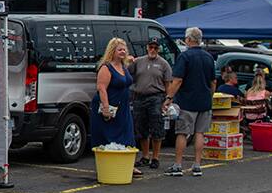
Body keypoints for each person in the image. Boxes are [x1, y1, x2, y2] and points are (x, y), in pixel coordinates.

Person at [163, 27, 215, 177]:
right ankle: (197, 164)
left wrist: (169, 97)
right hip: (204, 100)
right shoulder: (208, 57)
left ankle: (178, 165)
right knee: (200, 133)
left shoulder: (184, 57)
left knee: (182, 132)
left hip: (187, 101)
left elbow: (178, 80)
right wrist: (209, 95)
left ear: (188, 39)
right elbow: (213, 81)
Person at [91, 38, 138, 175]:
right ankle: (109, 165)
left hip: (123, 107)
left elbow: (129, 61)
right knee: (109, 136)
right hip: (109, 106)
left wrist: (130, 59)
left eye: (124, 49)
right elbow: (101, 88)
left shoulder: (123, 66)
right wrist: (105, 108)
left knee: (128, 134)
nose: (123, 52)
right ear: (112, 51)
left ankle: (129, 164)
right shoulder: (106, 67)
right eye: (119, 50)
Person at [129, 37, 172, 170]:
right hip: (139, 97)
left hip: (156, 97)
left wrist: (168, 99)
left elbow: (168, 84)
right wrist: (129, 61)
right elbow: (128, 73)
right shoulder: (139, 61)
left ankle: (156, 157)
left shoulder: (164, 64)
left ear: (159, 49)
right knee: (141, 128)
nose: (153, 50)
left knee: (156, 128)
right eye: (151, 47)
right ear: (147, 47)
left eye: (155, 48)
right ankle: (145, 156)